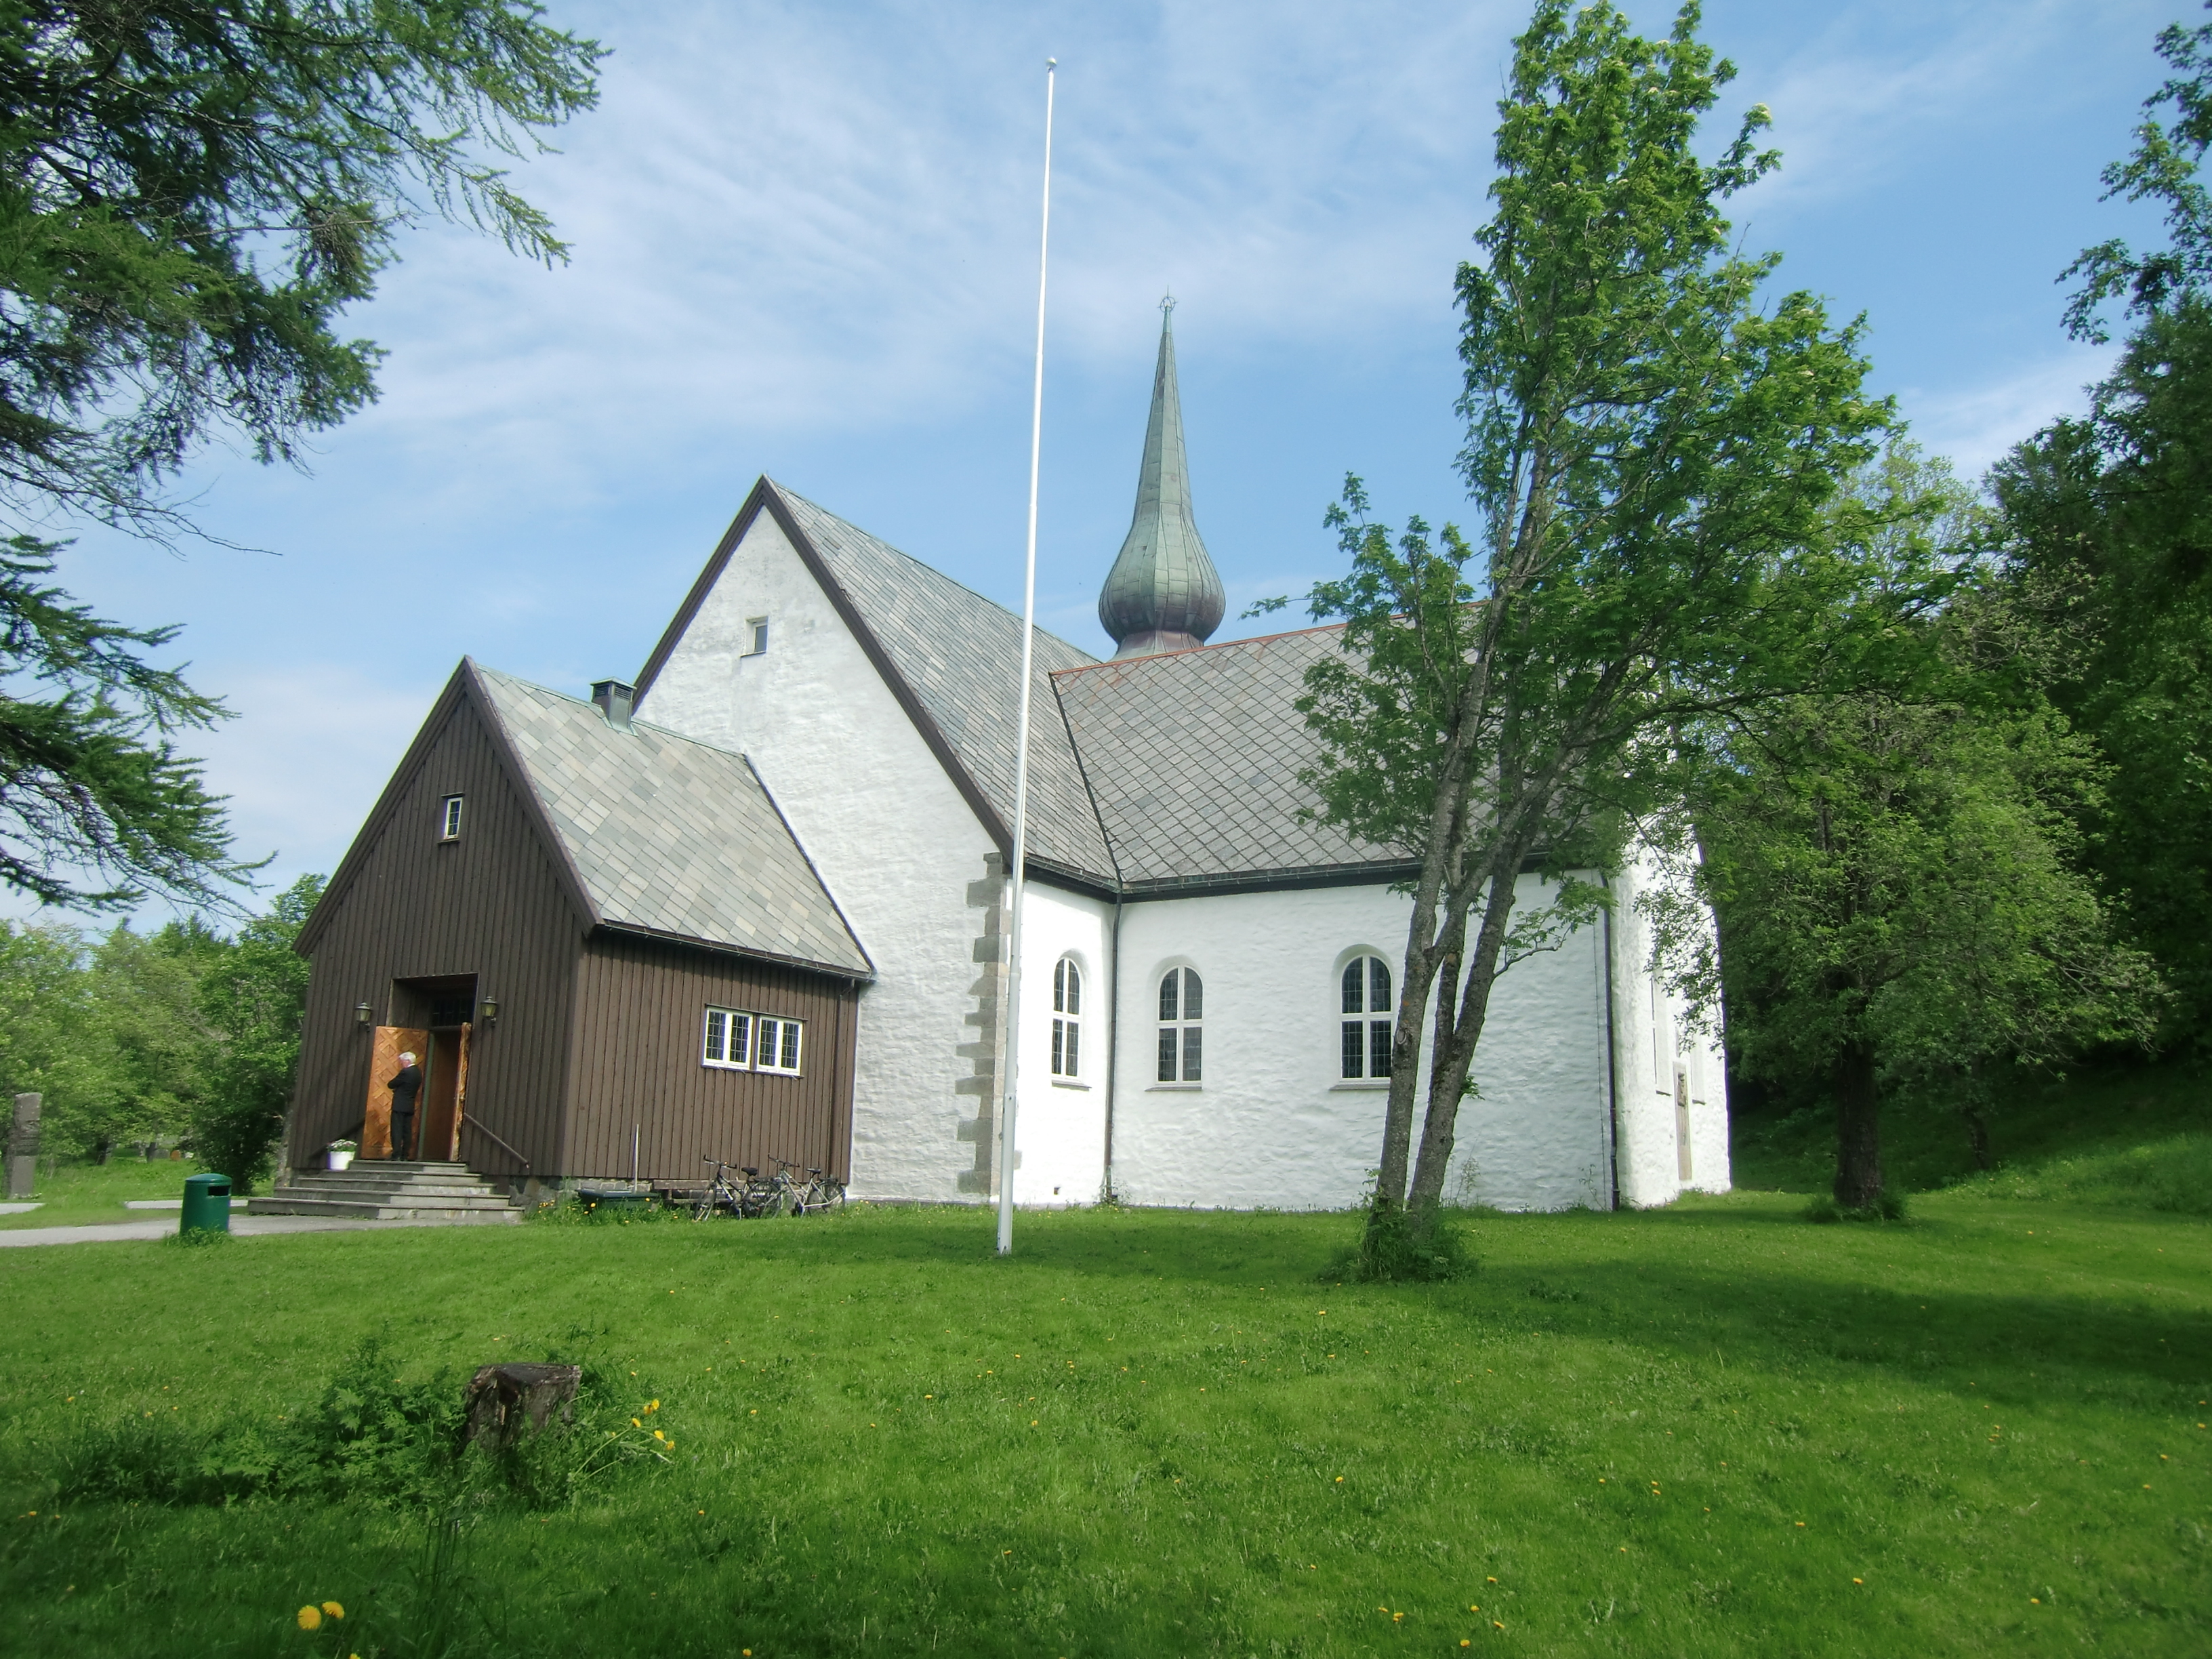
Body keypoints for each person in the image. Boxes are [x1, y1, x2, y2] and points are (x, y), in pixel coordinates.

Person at [388, 1051, 423, 1160]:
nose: (401, 1064)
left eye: (402, 1061)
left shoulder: (406, 1072)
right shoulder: (418, 1073)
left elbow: (391, 1084)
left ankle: (396, 1154)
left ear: (407, 1061)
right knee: (407, 1130)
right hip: (409, 1105)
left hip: (399, 1105)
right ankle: (405, 1154)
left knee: (397, 1130)